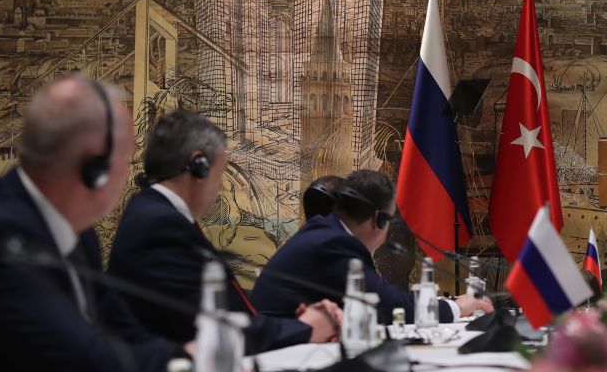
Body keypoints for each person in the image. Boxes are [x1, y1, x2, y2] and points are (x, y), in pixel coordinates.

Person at [0, 76, 183, 372]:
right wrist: (192, 366)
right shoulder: (2, 234)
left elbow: (127, 334)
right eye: (128, 158)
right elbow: (91, 366)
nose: (130, 172)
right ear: (95, 167)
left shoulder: (79, 233)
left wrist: (188, 359)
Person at [109, 111, 339, 353]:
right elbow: (214, 328)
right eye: (219, 174)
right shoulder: (159, 226)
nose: (219, 186)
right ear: (198, 166)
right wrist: (306, 328)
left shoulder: (157, 214)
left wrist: (293, 322)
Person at [252, 169, 491, 324]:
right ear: (380, 220)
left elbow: (380, 298)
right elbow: (387, 306)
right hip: (276, 353)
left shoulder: (327, 231)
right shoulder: (335, 243)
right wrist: (456, 307)